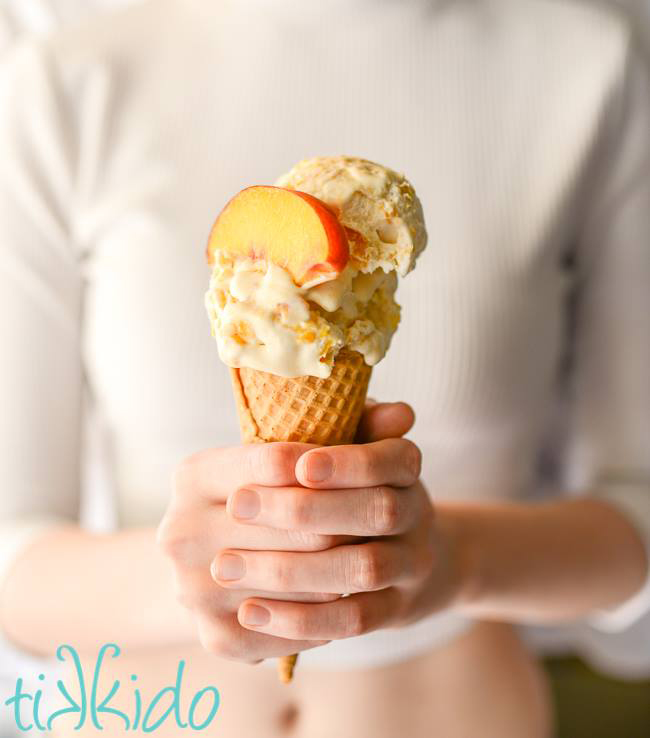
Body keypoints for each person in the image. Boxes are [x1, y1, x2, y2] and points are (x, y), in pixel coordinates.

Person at [0, 1, 649, 736]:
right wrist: (196, 577)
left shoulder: (587, 61)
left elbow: (636, 517)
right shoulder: (65, 80)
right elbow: (12, 561)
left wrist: (451, 559)